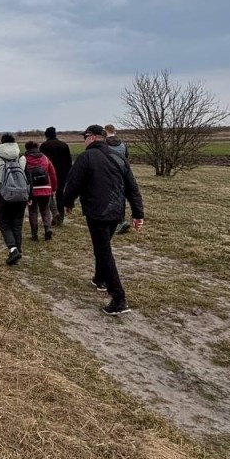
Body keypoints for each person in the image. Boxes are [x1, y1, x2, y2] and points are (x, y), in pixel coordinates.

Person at [63, 124, 144, 316]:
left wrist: (67, 202)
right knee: (103, 246)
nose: (84, 140)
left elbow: (73, 183)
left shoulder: (86, 157)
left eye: (85, 137)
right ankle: (99, 279)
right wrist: (137, 213)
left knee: (104, 252)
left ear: (91, 137)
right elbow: (132, 187)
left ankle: (119, 298)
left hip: (97, 212)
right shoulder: (119, 157)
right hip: (116, 212)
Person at [0, 133, 29, 264]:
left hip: (3, 194)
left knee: (3, 221)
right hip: (21, 195)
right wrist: (29, 195)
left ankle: (13, 249)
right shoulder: (21, 156)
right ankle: (17, 250)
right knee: (17, 223)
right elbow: (27, 177)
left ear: (2, 143)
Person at [24, 141, 57, 240]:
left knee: (33, 211)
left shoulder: (25, 159)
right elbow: (52, 174)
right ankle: (47, 228)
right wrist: (54, 188)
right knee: (45, 209)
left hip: (32, 190)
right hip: (46, 189)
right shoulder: (45, 158)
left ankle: (34, 235)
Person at [40, 127, 73, 226]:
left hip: (48, 174)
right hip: (62, 174)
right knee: (60, 196)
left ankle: (54, 214)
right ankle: (61, 217)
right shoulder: (64, 145)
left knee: (49, 195)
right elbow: (69, 162)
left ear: (46, 135)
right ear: (55, 134)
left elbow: (42, 161)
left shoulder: (44, 146)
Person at [105, 125, 131, 234]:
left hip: (108, 174)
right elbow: (126, 160)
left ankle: (112, 220)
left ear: (106, 131)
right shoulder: (123, 145)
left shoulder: (104, 144)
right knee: (120, 197)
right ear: (114, 131)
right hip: (121, 174)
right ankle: (121, 219)